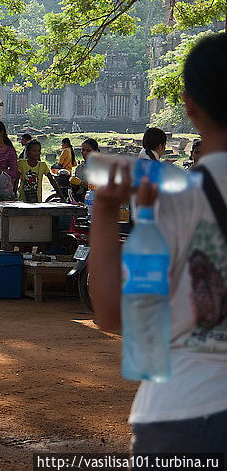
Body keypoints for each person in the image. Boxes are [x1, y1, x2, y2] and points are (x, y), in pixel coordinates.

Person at [89, 32, 227, 454]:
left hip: (186, 413)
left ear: (189, 106)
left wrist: (105, 209)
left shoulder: (179, 198)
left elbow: (112, 314)